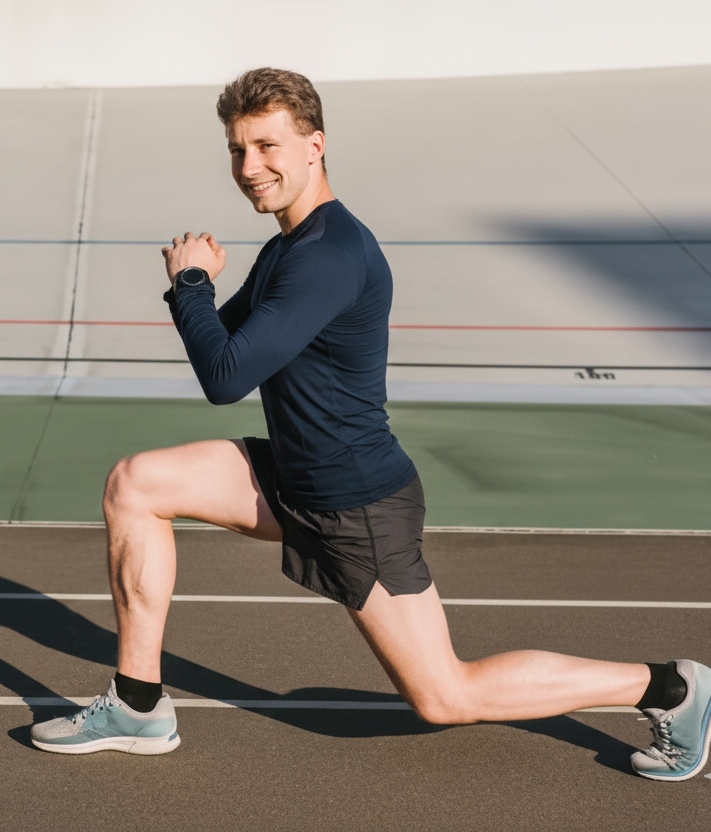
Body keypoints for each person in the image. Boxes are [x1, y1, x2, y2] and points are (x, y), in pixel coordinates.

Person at [31, 67, 711, 781]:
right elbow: (225, 348)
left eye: (266, 146)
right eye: (236, 150)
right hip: (292, 474)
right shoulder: (289, 248)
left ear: (314, 144)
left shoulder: (329, 255)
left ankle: (669, 687)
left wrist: (193, 283)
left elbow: (224, 379)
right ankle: (137, 706)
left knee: (446, 694)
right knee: (136, 484)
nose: (249, 167)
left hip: (352, 502)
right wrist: (191, 293)